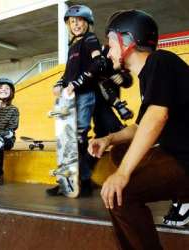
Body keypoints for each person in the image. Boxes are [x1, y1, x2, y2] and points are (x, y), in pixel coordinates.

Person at [88, 9, 189, 249]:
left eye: (111, 44)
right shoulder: (150, 74)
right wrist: (108, 138)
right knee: (119, 150)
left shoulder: (160, 60)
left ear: (127, 41)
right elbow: (139, 125)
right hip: (177, 154)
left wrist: (122, 175)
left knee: (121, 196)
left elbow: (156, 117)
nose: (108, 51)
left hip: (185, 160)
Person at [46, 5, 131, 196]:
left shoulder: (90, 39)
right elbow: (69, 73)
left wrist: (76, 83)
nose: (76, 24)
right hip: (73, 96)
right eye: (72, 21)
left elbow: (98, 63)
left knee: (79, 136)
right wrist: (60, 83)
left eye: (80, 20)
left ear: (88, 23)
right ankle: (71, 181)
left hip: (87, 95)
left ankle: (82, 181)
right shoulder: (73, 47)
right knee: (68, 140)